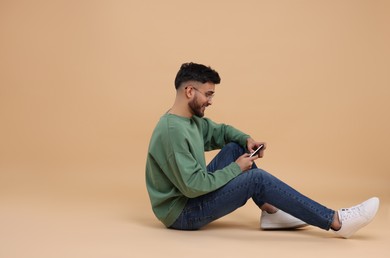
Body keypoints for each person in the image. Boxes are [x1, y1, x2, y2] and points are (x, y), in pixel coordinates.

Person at [145, 62, 379, 238]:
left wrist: (246, 140)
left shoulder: (190, 121)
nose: (210, 101)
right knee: (255, 178)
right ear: (189, 92)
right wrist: (236, 169)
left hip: (190, 197)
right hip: (182, 213)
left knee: (234, 147)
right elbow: (193, 186)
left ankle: (271, 213)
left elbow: (222, 132)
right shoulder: (172, 131)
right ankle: (336, 221)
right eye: (207, 94)